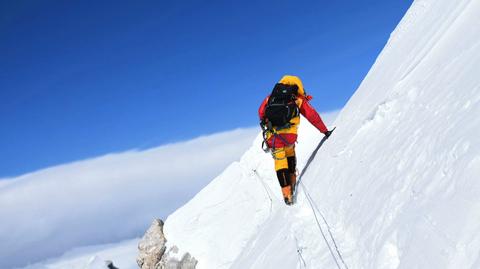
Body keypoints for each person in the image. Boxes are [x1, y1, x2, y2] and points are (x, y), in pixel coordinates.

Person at [258, 75, 332, 205]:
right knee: (290, 154)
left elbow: (260, 113)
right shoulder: (296, 98)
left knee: (280, 163)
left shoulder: (270, 98)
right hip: (290, 136)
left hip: (274, 136)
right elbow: (312, 115)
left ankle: (287, 195)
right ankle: (292, 182)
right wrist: (325, 131)